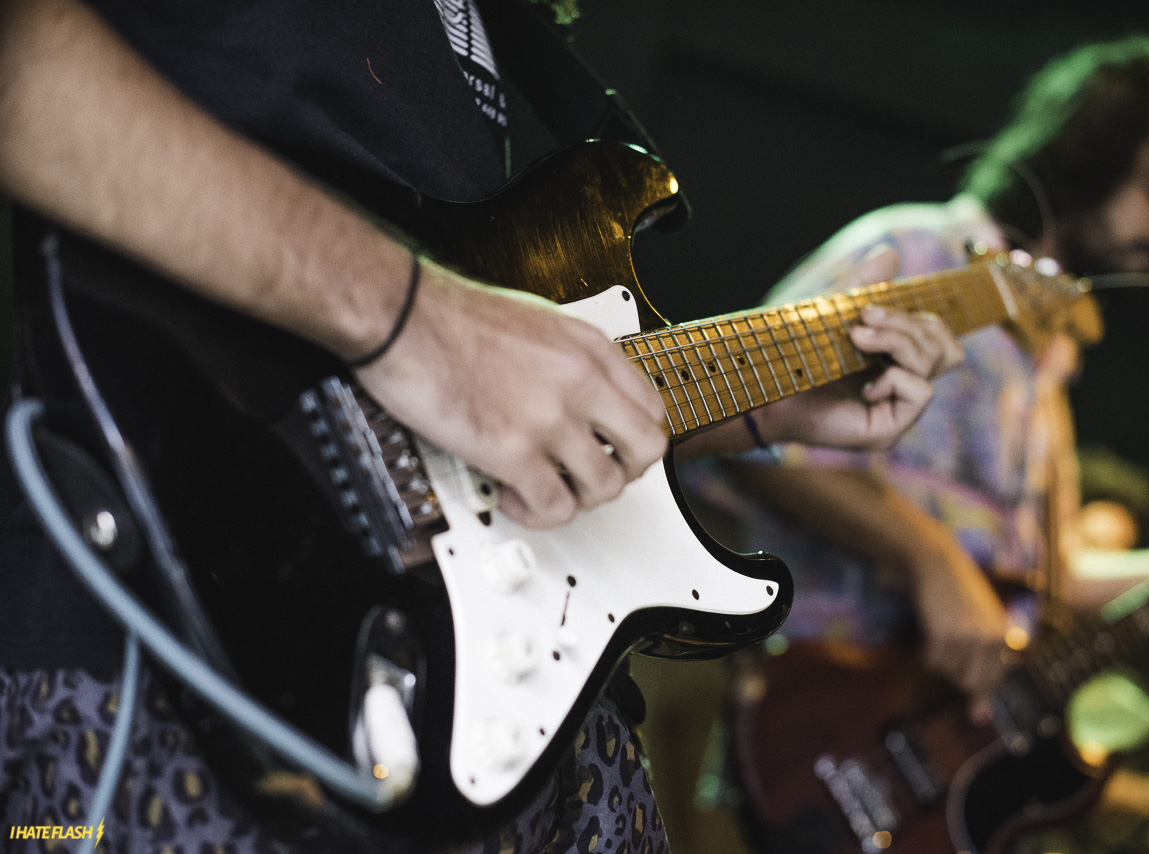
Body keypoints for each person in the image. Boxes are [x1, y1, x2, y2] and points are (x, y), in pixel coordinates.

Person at [0, 1, 963, 851]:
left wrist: (753, 409)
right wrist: (414, 318)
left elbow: (460, 401)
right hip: (192, 653)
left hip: (532, 726)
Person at [663, 34, 1149, 852]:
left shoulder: (1047, 368)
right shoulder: (916, 251)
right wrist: (930, 558)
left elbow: (1055, 578)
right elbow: (744, 425)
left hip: (932, 775)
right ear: (1089, 152)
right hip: (814, 724)